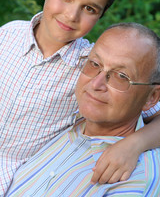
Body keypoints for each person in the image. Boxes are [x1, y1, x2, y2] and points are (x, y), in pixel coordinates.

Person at [0, 0, 160, 195]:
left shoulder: (91, 67)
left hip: (12, 182)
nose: (71, 15)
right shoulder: (8, 34)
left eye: (89, 8)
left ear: (101, 15)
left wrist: (134, 145)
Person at [6, 22, 160, 197]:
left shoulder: (134, 180)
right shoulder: (64, 114)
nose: (96, 84)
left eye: (121, 76)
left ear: (152, 97)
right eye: (94, 64)